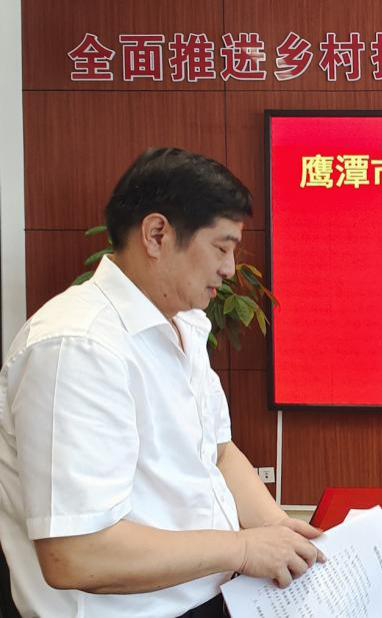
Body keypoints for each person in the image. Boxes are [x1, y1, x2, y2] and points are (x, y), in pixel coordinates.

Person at [0, 148, 324, 618]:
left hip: (210, 594)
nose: (230, 269)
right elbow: (76, 554)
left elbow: (218, 453)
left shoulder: (185, 323)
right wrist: (242, 548)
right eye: (222, 248)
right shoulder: (77, 346)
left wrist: (279, 528)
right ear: (157, 235)